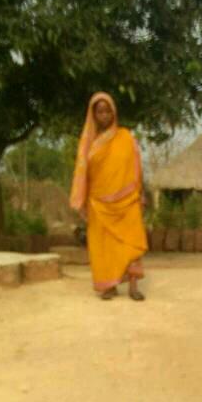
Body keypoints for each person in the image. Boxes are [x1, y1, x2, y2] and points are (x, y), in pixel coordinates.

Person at [70, 92, 148, 300]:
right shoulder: (89, 143)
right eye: (100, 112)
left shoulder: (126, 137)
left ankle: (133, 287)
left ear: (114, 113)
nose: (104, 115)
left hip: (127, 200)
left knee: (130, 242)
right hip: (98, 203)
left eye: (108, 111)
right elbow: (83, 173)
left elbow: (136, 168)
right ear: (93, 115)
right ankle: (109, 286)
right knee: (104, 245)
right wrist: (82, 199)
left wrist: (141, 193)